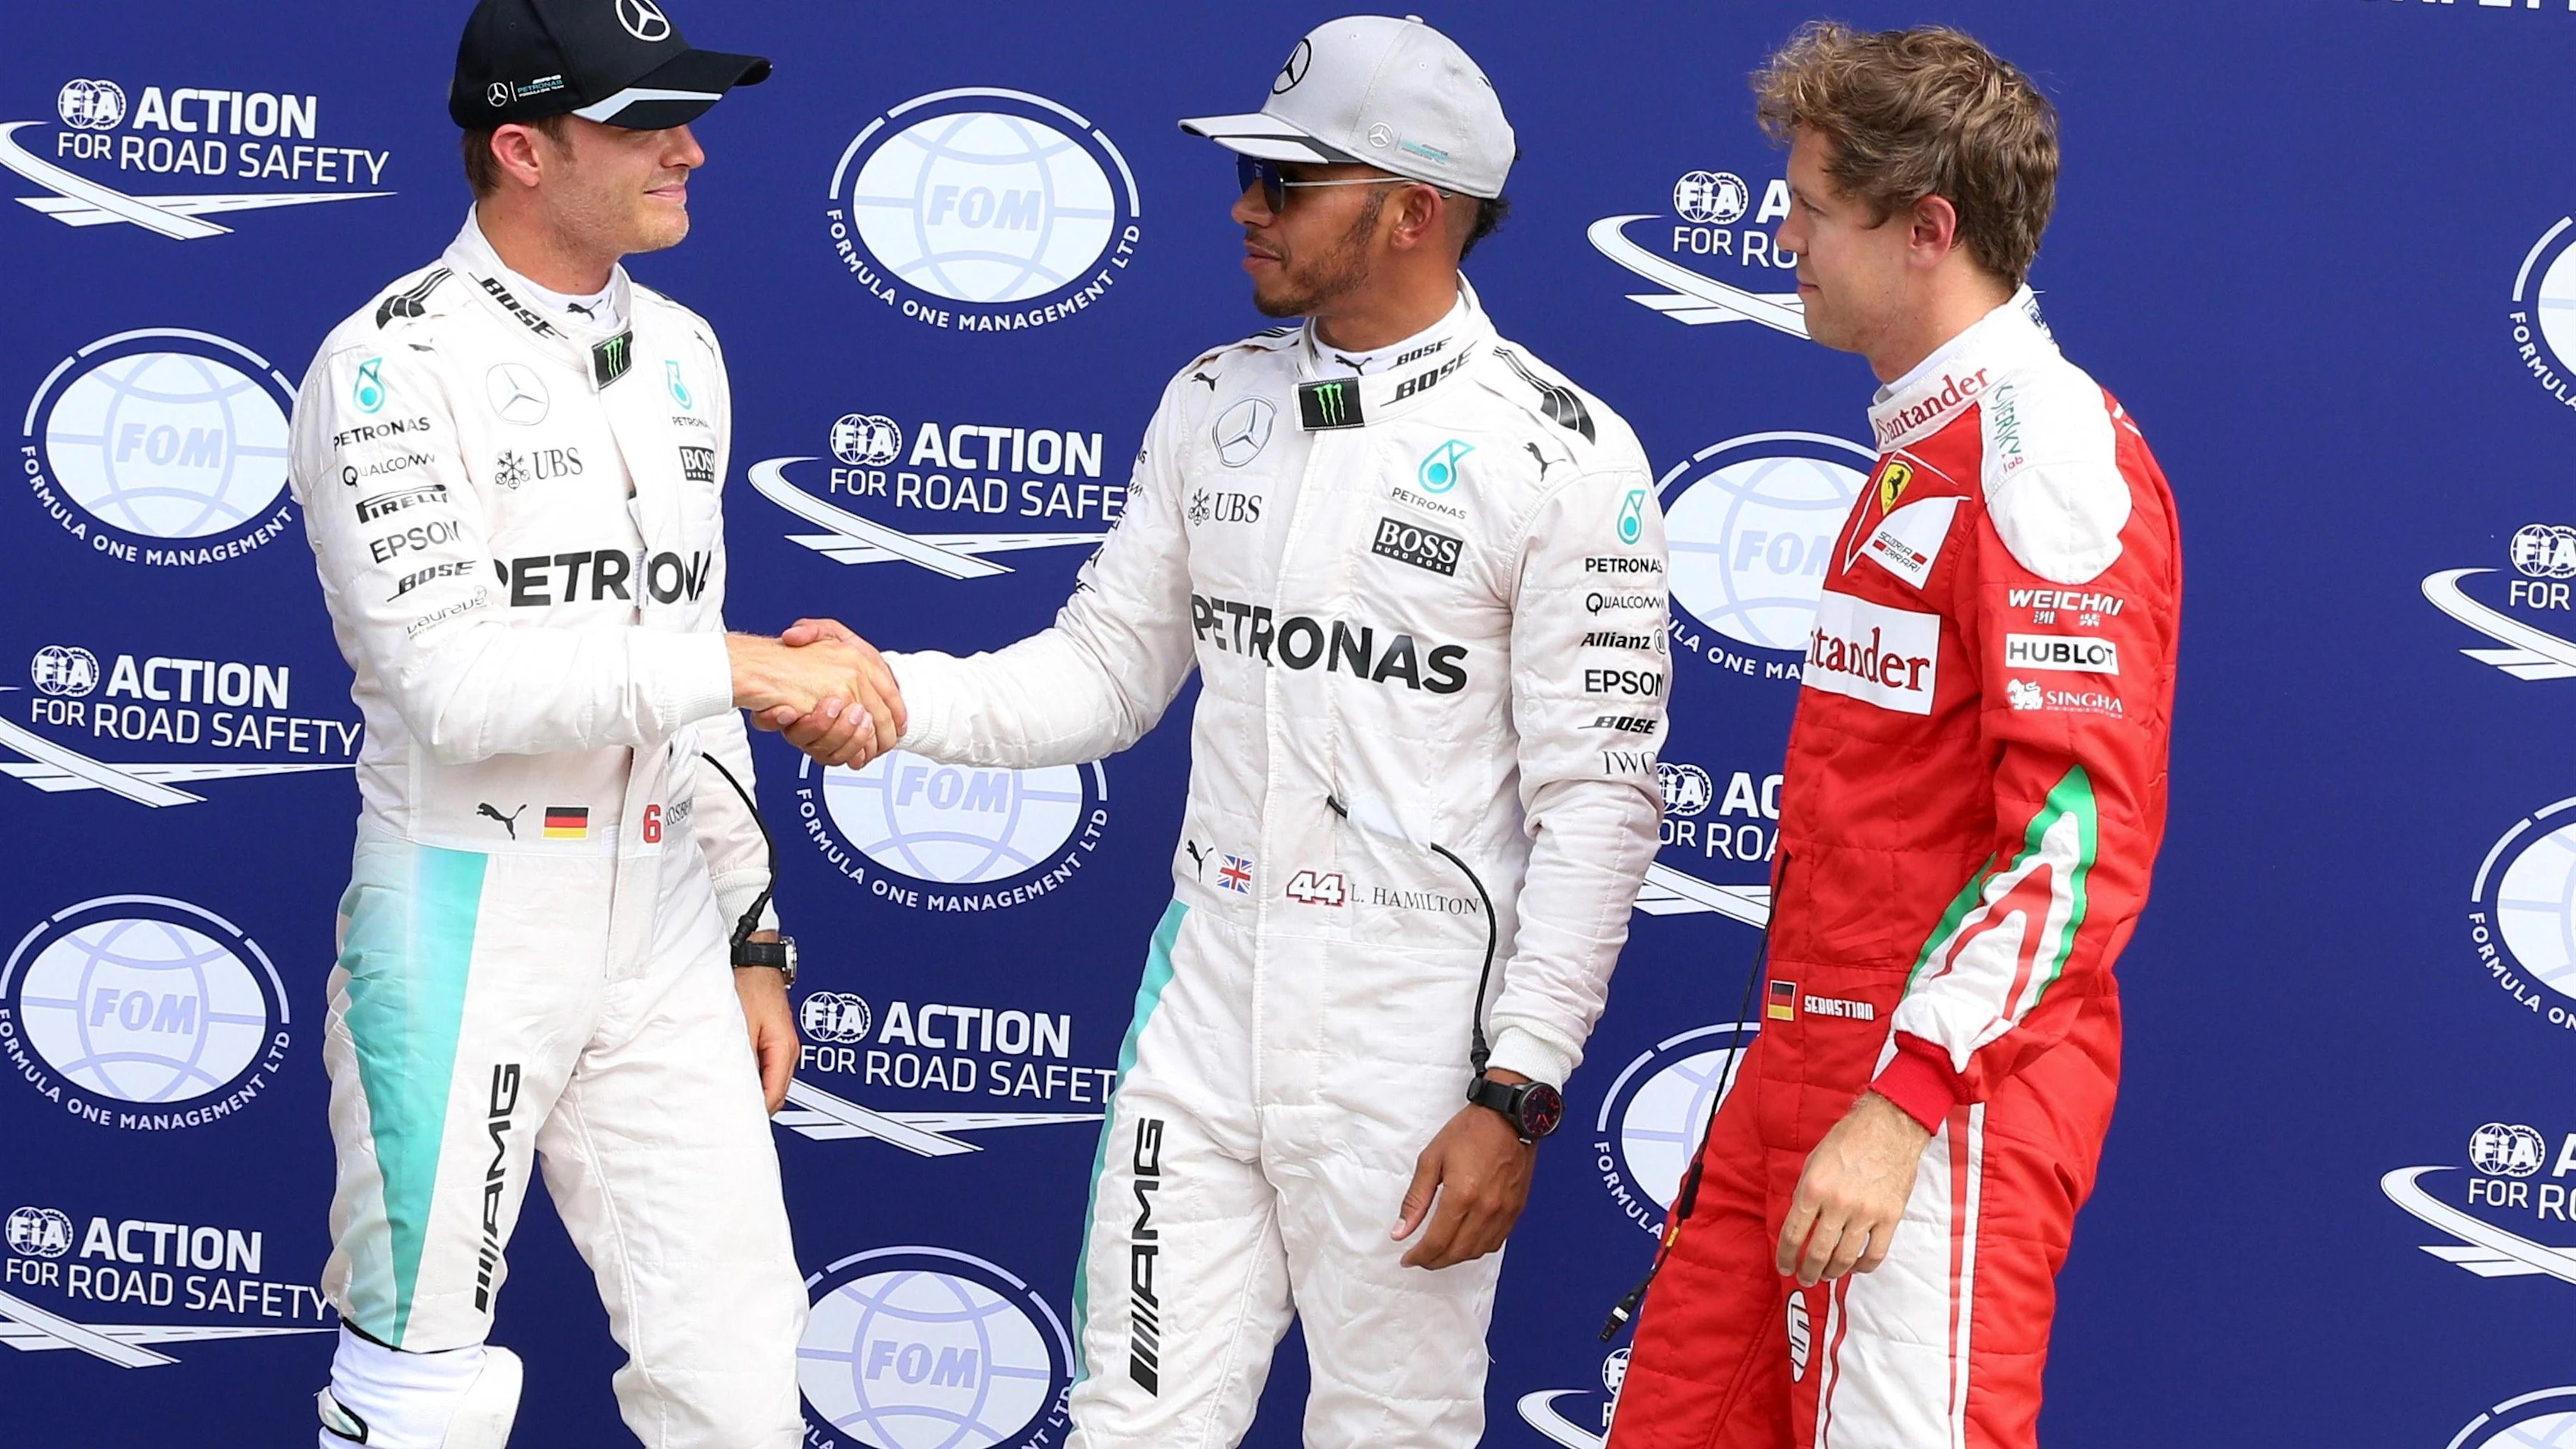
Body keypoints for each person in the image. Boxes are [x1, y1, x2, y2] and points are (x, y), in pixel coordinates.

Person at [770, 15, 1668, 1446]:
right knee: (1130, 1426)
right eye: (1249, 174)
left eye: (1288, 182)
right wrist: (892, 693)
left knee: (1392, 1434)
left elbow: (1600, 806)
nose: (1247, 206)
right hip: (1203, 1008)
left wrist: (1519, 1092)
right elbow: (1101, 675)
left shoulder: (1564, 454)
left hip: (1415, 1040)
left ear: (1414, 213)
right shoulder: (1213, 400)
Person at [286, 2, 897, 1445]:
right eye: (642, 123)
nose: (689, 149)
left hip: (667, 914)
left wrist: (751, 932)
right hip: (466, 912)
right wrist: (742, 666)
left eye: (689, 116)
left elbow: (690, 668)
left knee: (738, 1373)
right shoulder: (385, 367)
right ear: (522, 149)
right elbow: (455, 687)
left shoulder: (685, 349)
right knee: (422, 1378)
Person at [1604, 22, 2180, 1449]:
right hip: (1805, 1064)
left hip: (1942, 1102)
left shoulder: (2045, 452)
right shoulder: (1925, 445)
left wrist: (1906, 1100)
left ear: (1927, 229)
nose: (1780, 237)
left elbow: (2074, 843)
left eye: (1811, 207)